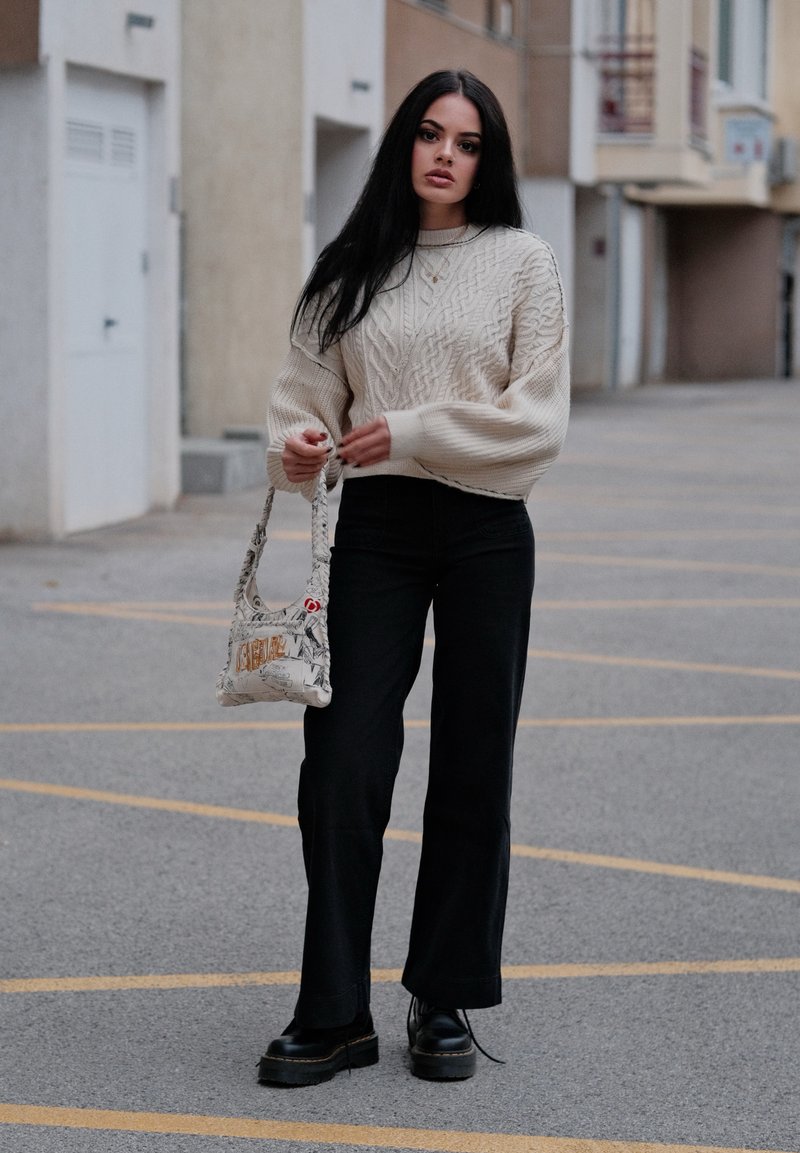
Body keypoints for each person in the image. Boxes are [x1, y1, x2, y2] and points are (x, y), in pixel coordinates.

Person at [258, 69, 570, 1087]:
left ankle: (442, 999)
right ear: (402, 144)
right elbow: (297, 402)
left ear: (488, 160)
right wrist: (299, 445)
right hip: (375, 527)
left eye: (467, 142)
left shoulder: (520, 260)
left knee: (473, 763)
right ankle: (334, 1008)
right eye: (429, 134)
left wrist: (421, 427)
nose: (444, 154)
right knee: (342, 760)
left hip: (486, 527)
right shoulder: (350, 266)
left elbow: (537, 419)